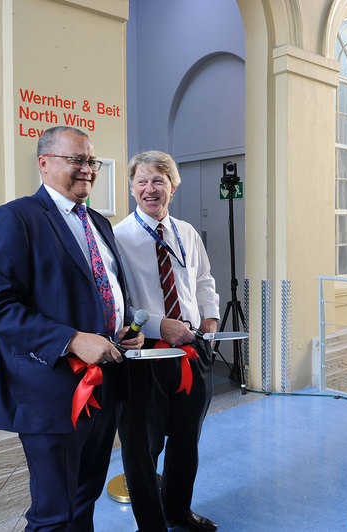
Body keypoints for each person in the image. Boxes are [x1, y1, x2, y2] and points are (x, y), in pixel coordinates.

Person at [0, 126, 143, 531]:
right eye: (76, 160)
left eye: (92, 161)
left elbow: (100, 292)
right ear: (44, 164)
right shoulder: (16, 219)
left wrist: (124, 328)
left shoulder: (99, 223)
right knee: (54, 514)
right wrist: (70, 340)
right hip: (51, 394)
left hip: (105, 386)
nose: (87, 169)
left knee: (85, 498)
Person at [114, 150, 220, 532]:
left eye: (158, 180)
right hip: (146, 357)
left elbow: (204, 279)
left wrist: (210, 314)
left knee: (186, 441)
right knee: (142, 450)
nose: (149, 189)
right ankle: (153, 525)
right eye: (141, 181)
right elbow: (116, 303)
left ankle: (177, 510)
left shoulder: (187, 232)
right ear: (131, 189)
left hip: (193, 352)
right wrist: (160, 325)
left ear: (172, 187)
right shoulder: (117, 238)